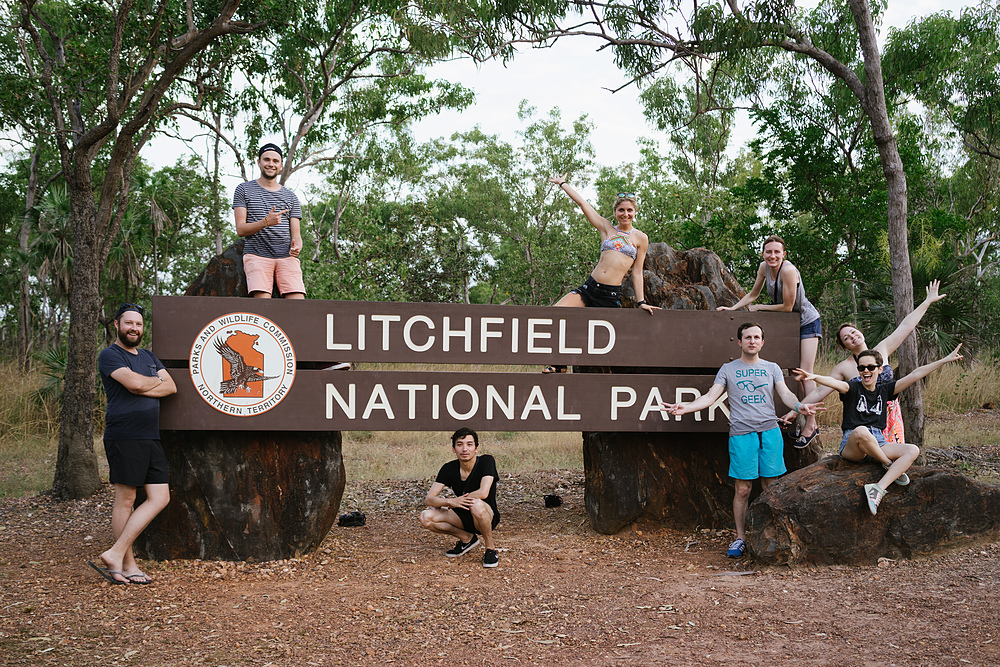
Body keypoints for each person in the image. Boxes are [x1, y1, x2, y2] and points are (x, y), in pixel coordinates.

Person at [661, 323, 822, 558]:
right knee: (743, 489)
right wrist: (686, 407)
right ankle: (740, 538)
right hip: (741, 434)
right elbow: (710, 396)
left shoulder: (772, 367)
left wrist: (799, 406)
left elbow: (785, 394)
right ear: (740, 342)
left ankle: (773, 533)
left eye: (757, 337)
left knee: (770, 486)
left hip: (769, 432)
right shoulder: (728, 369)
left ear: (762, 342)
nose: (752, 341)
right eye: (748, 337)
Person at [793, 343, 963, 515]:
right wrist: (813, 376)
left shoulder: (885, 390)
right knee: (861, 430)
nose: (866, 371)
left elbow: (915, 374)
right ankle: (888, 465)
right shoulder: (852, 388)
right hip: (854, 445)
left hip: (879, 442)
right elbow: (834, 382)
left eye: (870, 367)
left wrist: (945, 360)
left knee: (912, 450)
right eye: (861, 368)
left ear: (880, 369)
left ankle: (878, 489)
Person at [794, 280, 948, 445]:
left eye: (853, 332)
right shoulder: (844, 368)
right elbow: (819, 393)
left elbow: (906, 325)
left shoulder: (881, 350)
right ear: (845, 346)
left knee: (891, 456)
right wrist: (794, 410)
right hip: (864, 421)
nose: (853, 337)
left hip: (890, 414)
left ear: (860, 332)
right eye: (847, 338)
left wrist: (927, 301)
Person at [89, 303, 177, 585]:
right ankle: (126, 564)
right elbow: (136, 385)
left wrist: (142, 382)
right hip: (124, 435)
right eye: (129, 323)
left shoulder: (149, 356)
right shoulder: (109, 355)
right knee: (126, 499)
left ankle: (115, 553)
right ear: (117, 324)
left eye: (138, 325)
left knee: (160, 497)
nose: (134, 329)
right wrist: (149, 383)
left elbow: (171, 387)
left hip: (150, 435)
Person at [543, 175, 661, 373]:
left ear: (635, 212)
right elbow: (583, 203)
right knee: (554, 314)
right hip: (588, 288)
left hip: (609, 295)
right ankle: (559, 365)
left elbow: (637, 272)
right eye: (621, 210)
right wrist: (563, 184)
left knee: (610, 345)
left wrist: (641, 302)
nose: (625, 214)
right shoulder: (606, 228)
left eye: (629, 210)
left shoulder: (640, 238)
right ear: (615, 212)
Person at [718, 235, 822, 447]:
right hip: (787, 326)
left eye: (777, 252)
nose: (772, 256)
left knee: (805, 373)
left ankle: (811, 425)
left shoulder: (788, 271)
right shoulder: (764, 268)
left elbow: (787, 306)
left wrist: (761, 308)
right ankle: (802, 419)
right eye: (768, 252)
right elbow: (753, 294)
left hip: (806, 322)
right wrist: (733, 308)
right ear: (763, 253)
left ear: (784, 254)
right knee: (794, 374)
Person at [419, 428, 501, 568]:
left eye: (469, 444)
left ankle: (490, 549)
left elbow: (483, 492)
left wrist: (459, 500)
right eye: (460, 444)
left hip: (486, 515)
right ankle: (467, 538)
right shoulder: (448, 468)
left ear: (476, 448)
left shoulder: (486, 461)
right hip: (462, 514)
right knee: (425, 517)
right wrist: (450, 501)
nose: (464, 449)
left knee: (476, 504)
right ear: (453, 449)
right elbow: (429, 499)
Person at [233, 143, 305, 299]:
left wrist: (297, 247)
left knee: (299, 306)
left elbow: (297, 236)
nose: (271, 164)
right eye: (266, 160)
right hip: (257, 256)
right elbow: (240, 230)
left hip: (286, 257)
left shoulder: (291, 197)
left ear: (280, 166)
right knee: (264, 308)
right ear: (259, 162)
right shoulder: (243, 190)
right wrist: (265, 222)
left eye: (275, 161)